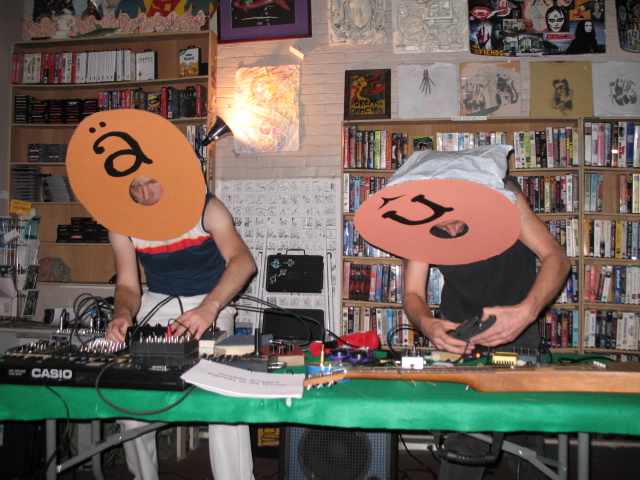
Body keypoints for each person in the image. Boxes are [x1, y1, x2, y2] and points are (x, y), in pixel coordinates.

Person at [402, 153, 570, 480]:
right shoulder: (420, 216)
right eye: (442, 225)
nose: (452, 231)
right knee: (467, 432)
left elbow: (557, 258)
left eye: (458, 220)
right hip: (460, 331)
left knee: (525, 432)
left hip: (517, 324)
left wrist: (527, 311)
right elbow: (413, 294)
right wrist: (427, 323)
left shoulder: (503, 195)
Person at [105, 176, 257, 480]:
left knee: (224, 395)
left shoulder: (207, 208)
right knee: (130, 397)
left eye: (151, 182)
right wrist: (122, 313)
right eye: (135, 187)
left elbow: (243, 262)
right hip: (157, 303)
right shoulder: (121, 221)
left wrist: (210, 308)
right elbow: (128, 285)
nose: (145, 194)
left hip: (211, 301)